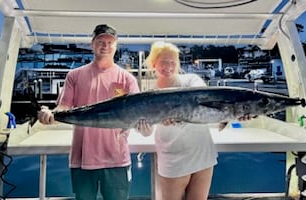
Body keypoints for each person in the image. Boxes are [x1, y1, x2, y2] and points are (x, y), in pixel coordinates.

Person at [37, 24, 140, 200]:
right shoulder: (74, 76)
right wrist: (50, 114)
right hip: (82, 158)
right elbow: (64, 107)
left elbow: (137, 113)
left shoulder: (127, 79)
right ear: (92, 44)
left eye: (110, 42)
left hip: (117, 159)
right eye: (101, 41)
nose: (105, 45)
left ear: (116, 46)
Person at [136, 41, 218, 200]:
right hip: (173, 157)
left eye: (173, 62)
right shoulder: (148, 94)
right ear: (154, 63)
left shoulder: (191, 81)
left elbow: (205, 102)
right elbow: (147, 132)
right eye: (163, 62)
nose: (168, 66)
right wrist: (143, 129)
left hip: (202, 154)